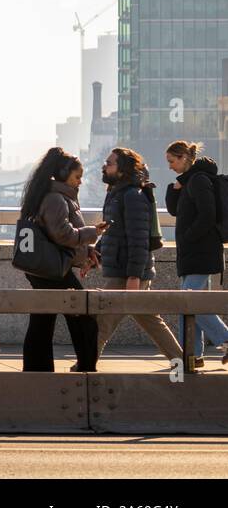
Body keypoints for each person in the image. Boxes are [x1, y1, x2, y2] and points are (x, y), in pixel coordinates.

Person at [17, 148, 104, 372]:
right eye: (77, 177)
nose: (81, 182)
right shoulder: (56, 199)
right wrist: (93, 232)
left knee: (42, 321)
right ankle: (86, 367)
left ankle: (37, 371)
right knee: (83, 318)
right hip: (52, 271)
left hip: (44, 268)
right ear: (64, 174)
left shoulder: (53, 195)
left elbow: (60, 237)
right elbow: (63, 234)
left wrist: (87, 251)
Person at [94, 147, 183, 363]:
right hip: (124, 269)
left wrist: (134, 277)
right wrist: (95, 253)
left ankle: (86, 363)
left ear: (122, 170)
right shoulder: (116, 194)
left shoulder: (133, 196)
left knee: (102, 321)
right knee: (150, 319)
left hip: (127, 272)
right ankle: (182, 361)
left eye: (110, 163)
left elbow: (139, 239)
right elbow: (112, 231)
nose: (104, 167)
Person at [164, 140, 228, 365]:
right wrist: (174, 188)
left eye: (172, 161)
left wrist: (187, 237)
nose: (170, 166)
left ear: (183, 158)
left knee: (188, 302)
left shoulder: (199, 180)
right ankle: (192, 355)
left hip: (201, 251)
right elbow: (174, 211)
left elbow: (208, 215)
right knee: (190, 304)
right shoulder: (188, 181)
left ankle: (224, 339)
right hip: (193, 253)